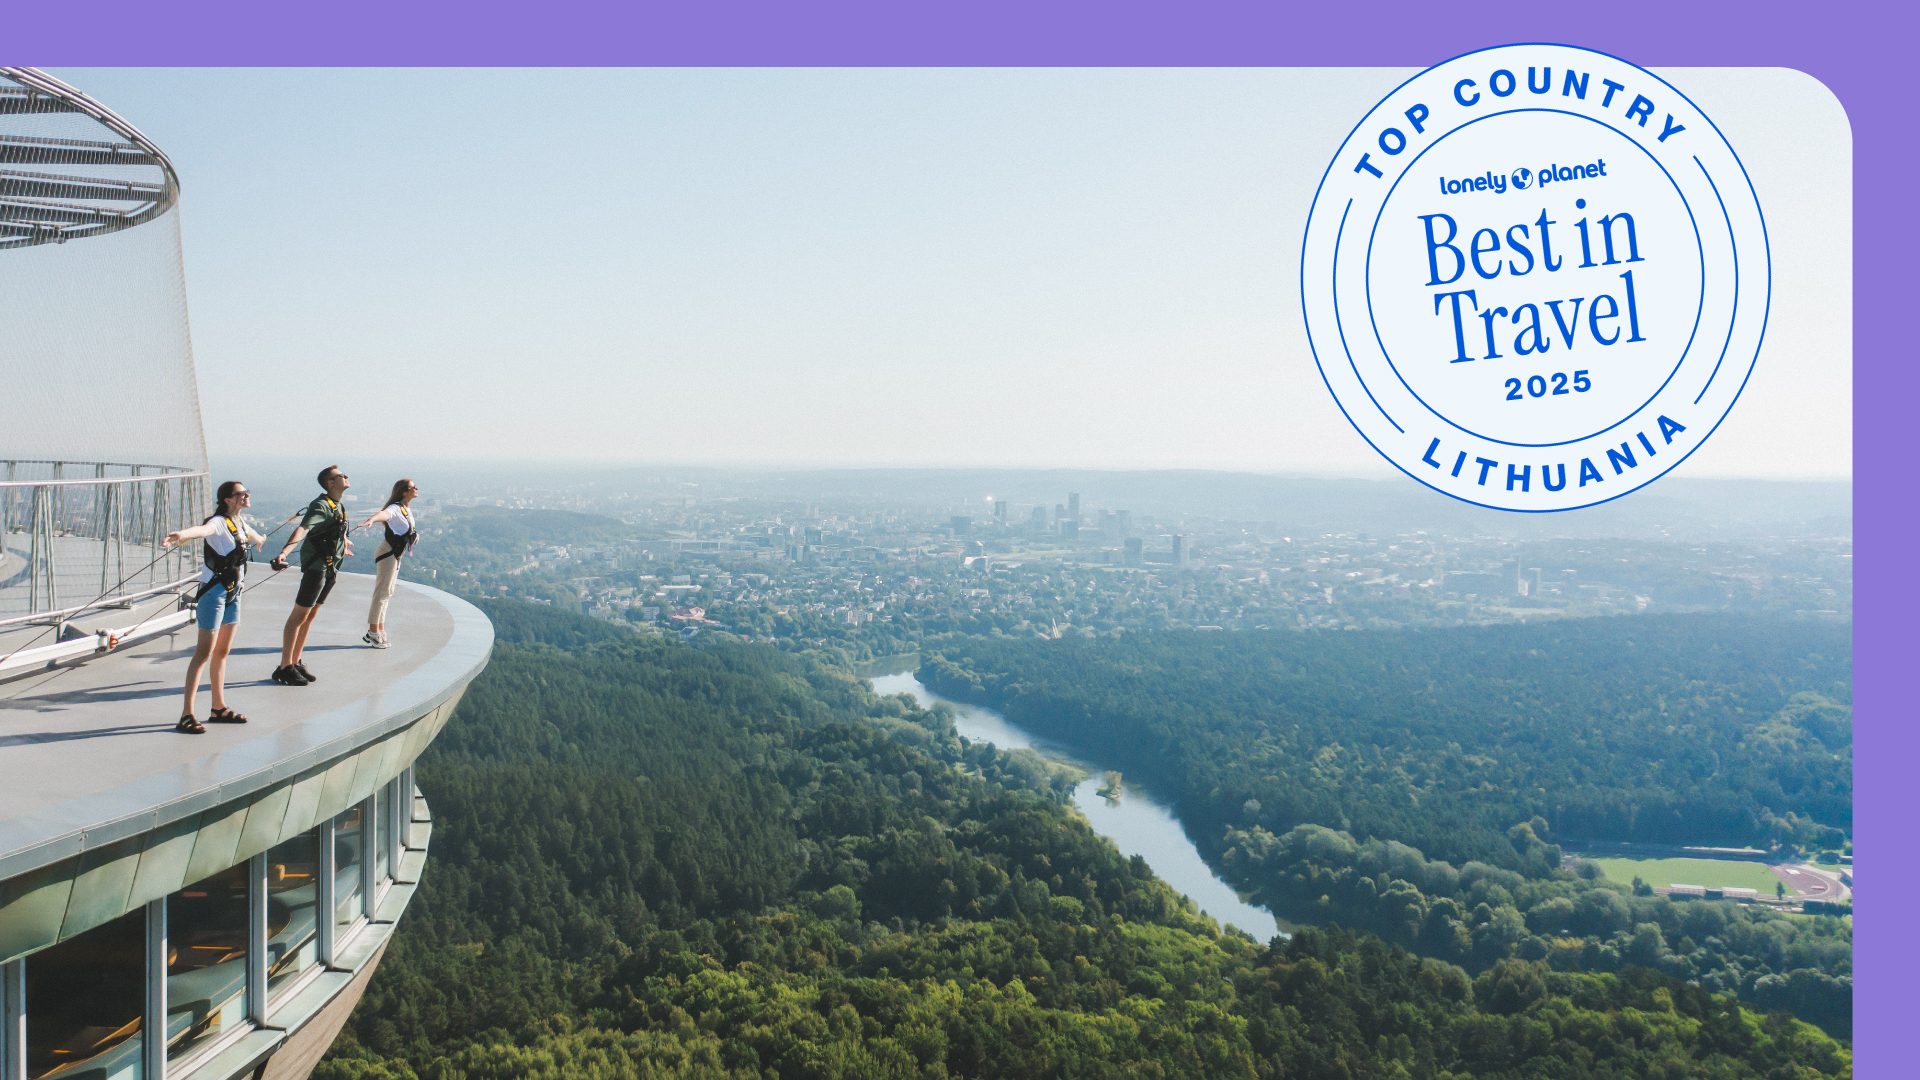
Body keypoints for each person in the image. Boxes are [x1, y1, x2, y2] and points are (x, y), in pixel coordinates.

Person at [163, 480, 267, 733]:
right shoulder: (219, 523)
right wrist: (182, 535)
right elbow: (203, 530)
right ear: (228, 500)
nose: (246, 496)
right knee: (203, 654)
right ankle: (187, 713)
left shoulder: (239, 523)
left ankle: (218, 707)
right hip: (215, 595)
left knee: (222, 652)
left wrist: (261, 539)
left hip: (234, 595)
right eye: (241, 494)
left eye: (247, 492)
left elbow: (251, 536)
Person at [269, 465, 354, 685]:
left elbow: (333, 530)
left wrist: (343, 542)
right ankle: (285, 666)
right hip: (317, 568)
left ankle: (295, 660)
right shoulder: (321, 506)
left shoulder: (337, 505)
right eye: (340, 476)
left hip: (329, 567)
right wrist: (284, 552)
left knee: (310, 615)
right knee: (299, 616)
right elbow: (303, 529)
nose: (346, 476)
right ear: (330, 483)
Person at [359, 478, 421, 648]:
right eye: (413, 487)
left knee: (387, 592)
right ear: (404, 492)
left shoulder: (405, 509)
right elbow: (384, 514)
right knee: (382, 592)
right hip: (388, 553)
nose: (416, 488)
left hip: (394, 554)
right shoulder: (395, 508)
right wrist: (372, 520)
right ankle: (373, 631)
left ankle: (379, 629)